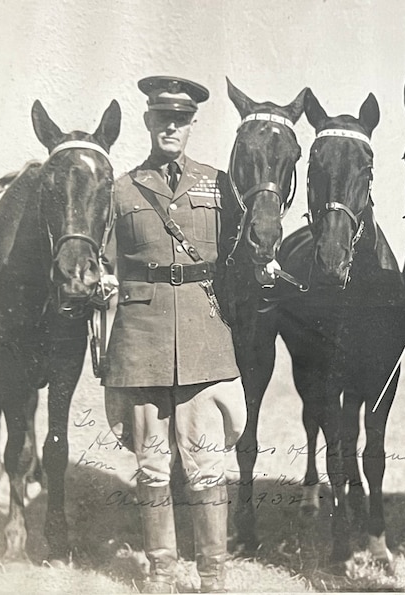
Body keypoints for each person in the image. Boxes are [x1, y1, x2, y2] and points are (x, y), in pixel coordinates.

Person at [102, 75, 247, 593]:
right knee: (152, 466)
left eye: (181, 119)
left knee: (208, 462)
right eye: (163, 118)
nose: (172, 127)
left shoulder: (218, 184)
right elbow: (101, 260)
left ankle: (213, 578)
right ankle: (161, 573)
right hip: (141, 339)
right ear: (148, 123)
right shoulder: (120, 189)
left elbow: (241, 254)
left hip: (204, 336)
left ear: (190, 126)